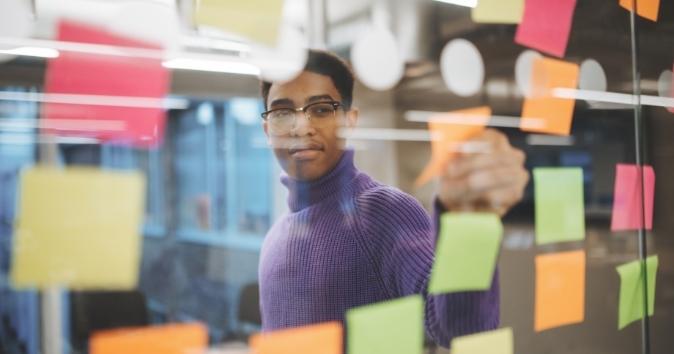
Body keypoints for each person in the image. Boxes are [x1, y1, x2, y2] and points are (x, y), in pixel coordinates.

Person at [258, 50, 529, 348]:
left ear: (349, 121)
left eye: (321, 109)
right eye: (282, 113)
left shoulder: (383, 212)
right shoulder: (275, 237)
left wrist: (468, 224)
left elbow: (462, 329)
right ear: (268, 130)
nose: (301, 127)